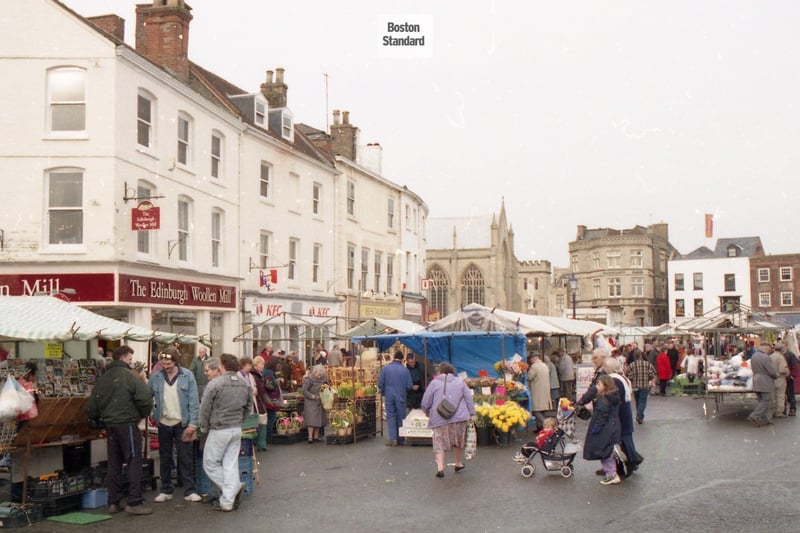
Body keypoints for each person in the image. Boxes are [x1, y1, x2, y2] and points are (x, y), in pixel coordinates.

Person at [85, 345, 153, 515]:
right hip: (127, 422)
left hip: (110, 424)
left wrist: (99, 417)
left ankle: (113, 502)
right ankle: (134, 501)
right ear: (123, 358)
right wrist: (141, 415)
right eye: (130, 359)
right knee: (133, 460)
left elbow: (91, 405)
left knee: (114, 462)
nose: (131, 362)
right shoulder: (129, 377)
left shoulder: (104, 378)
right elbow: (145, 398)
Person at [148, 346, 202, 503]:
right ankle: (166, 490)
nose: (166, 367)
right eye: (163, 364)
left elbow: (193, 402)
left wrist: (193, 424)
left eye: (169, 364)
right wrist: (153, 412)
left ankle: (189, 490)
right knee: (164, 457)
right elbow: (148, 396)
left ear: (176, 361)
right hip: (164, 422)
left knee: (185, 458)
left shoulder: (188, 376)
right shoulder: (156, 377)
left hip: (182, 423)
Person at [200, 353, 252, 512]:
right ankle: (227, 500)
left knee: (210, 464)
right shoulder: (244, 383)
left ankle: (231, 491)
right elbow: (248, 406)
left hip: (219, 428)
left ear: (222, 366)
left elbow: (205, 408)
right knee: (230, 464)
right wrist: (240, 420)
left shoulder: (216, 384)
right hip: (236, 427)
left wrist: (203, 427)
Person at [420, 362, 475, 478]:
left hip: (439, 417)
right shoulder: (461, 382)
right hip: (459, 417)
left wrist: (426, 411)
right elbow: (468, 398)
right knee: (458, 440)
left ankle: (440, 468)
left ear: (440, 372)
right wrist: (472, 413)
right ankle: (458, 463)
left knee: (439, 442)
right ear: (452, 372)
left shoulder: (434, 383)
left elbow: (426, 400)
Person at [604, 358, 642, 476]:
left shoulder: (614, 380)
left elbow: (614, 398)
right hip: (625, 412)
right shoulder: (622, 377)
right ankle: (631, 460)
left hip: (620, 414)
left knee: (624, 440)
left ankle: (632, 461)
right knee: (626, 440)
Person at [582, 375, 622, 486]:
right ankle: (611, 473)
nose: (596, 386)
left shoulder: (603, 399)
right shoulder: (612, 396)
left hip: (605, 429)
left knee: (604, 451)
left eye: (599, 384)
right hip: (612, 426)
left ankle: (612, 475)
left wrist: (596, 428)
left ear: (605, 385)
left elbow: (602, 416)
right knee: (606, 451)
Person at [378, 351, 413, 446]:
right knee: (400, 417)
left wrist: (384, 390)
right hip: (401, 396)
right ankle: (401, 439)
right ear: (402, 359)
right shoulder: (405, 370)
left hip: (389, 395)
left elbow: (380, 383)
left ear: (394, 357)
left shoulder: (386, 369)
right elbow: (409, 385)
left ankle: (393, 439)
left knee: (391, 416)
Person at [747, 346, 778, 427]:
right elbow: (771, 370)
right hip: (765, 381)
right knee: (765, 401)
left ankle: (766, 419)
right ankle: (754, 415)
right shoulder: (765, 357)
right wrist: (775, 376)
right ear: (766, 349)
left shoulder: (754, 356)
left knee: (762, 400)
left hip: (756, 380)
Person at [625, 350, 656, 423]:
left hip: (635, 386)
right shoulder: (647, 364)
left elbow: (628, 375)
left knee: (637, 401)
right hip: (644, 385)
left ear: (634, 356)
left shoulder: (632, 365)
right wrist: (650, 378)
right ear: (641, 355)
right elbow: (653, 373)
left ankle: (640, 416)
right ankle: (639, 415)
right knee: (642, 401)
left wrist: (632, 377)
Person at [302, 365, 328, 443]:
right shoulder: (309, 379)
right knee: (311, 420)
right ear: (314, 372)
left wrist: (325, 388)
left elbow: (324, 388)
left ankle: (316, 437)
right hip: (311, 402)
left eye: (320, 374)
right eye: (318, 374)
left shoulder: (324, 378)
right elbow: (304, 391)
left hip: (320, 401)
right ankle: (310, 437)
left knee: (318, 420)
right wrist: (312, 396)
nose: (319, 376)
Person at [251, 355, 271, 451]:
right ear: (256, 365)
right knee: (261, 423)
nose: (263, 366)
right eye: (261, 364)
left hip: (258, 402)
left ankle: (259, 443)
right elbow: (260, 391)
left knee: (258, 423)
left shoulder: (256, 375)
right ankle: (260, 444)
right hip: (258, 402)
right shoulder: (256, 376)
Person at [526, 353, 551, 431]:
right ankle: (540, 427)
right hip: (545, 390)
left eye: (530, 359)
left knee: (536, 410)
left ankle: (546, 425)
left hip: (537, 390)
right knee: (542, 409)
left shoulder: (534, 367)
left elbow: (529, 377)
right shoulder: (544, 365)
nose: (529, 361)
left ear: (534, 358)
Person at [768, 343, 789, 419]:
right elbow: (782, 369)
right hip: (780, 379)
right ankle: (779, 412)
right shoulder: (780, 357)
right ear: (782, 349)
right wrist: (787, 371)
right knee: (780, 396)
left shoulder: (770, 356)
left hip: (771, 379)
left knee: (772, 396)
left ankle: (772, 411)